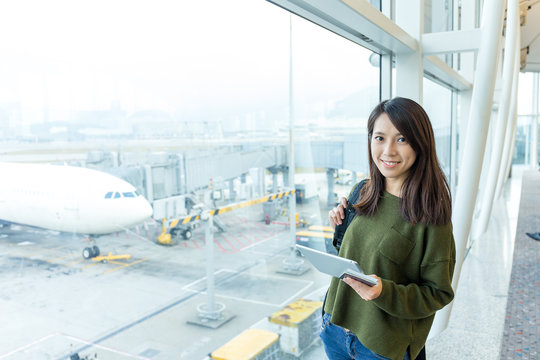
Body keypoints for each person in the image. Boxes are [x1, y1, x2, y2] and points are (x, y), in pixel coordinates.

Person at [321, 97, 456, 360]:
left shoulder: (431, 215)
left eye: (402, 139)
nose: (388, 151)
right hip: (335, 327)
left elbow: (438, 293)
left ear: (420, 144)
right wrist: (339, 227)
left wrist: (384, 291)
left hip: (382, 346)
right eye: (380, 138)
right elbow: (353, 257)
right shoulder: (362, 190)